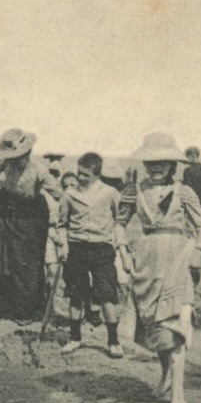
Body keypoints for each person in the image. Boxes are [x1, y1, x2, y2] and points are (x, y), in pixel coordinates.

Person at [120, 133, 201, 403]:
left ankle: (178, 394)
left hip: (177, 260)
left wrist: (198, 253)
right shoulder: (135, 190)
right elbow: (119, 222)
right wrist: (123, 251)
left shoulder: (185, 192)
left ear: (173, 165)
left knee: (174, 325)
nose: (156, 167)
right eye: (151, 162)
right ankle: (165, 377)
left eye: (162, 162)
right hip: (145, 263)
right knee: (154, 328)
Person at [55, 152, 127, 357]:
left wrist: (118, 245)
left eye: (85, 174)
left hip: (102, 249)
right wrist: (64, 246)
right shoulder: (69, 194)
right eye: (79, 173)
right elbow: (62, 225)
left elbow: (118, 221)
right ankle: (75, 338)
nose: (80, 178)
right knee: (75, 295)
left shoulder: (110, 193)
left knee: (106, 295)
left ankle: (114, 342)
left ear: (97, 174)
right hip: (76, 248)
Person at [0, 128, 52, 323]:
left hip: (32, 217)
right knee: (9, 259)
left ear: (27, 153)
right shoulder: (4, 163)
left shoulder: (39, 169)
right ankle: (7, 303)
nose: (15, 160)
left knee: (27, 263)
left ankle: (28, 309)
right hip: (11, 213)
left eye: (18, 156)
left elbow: (58, 194)